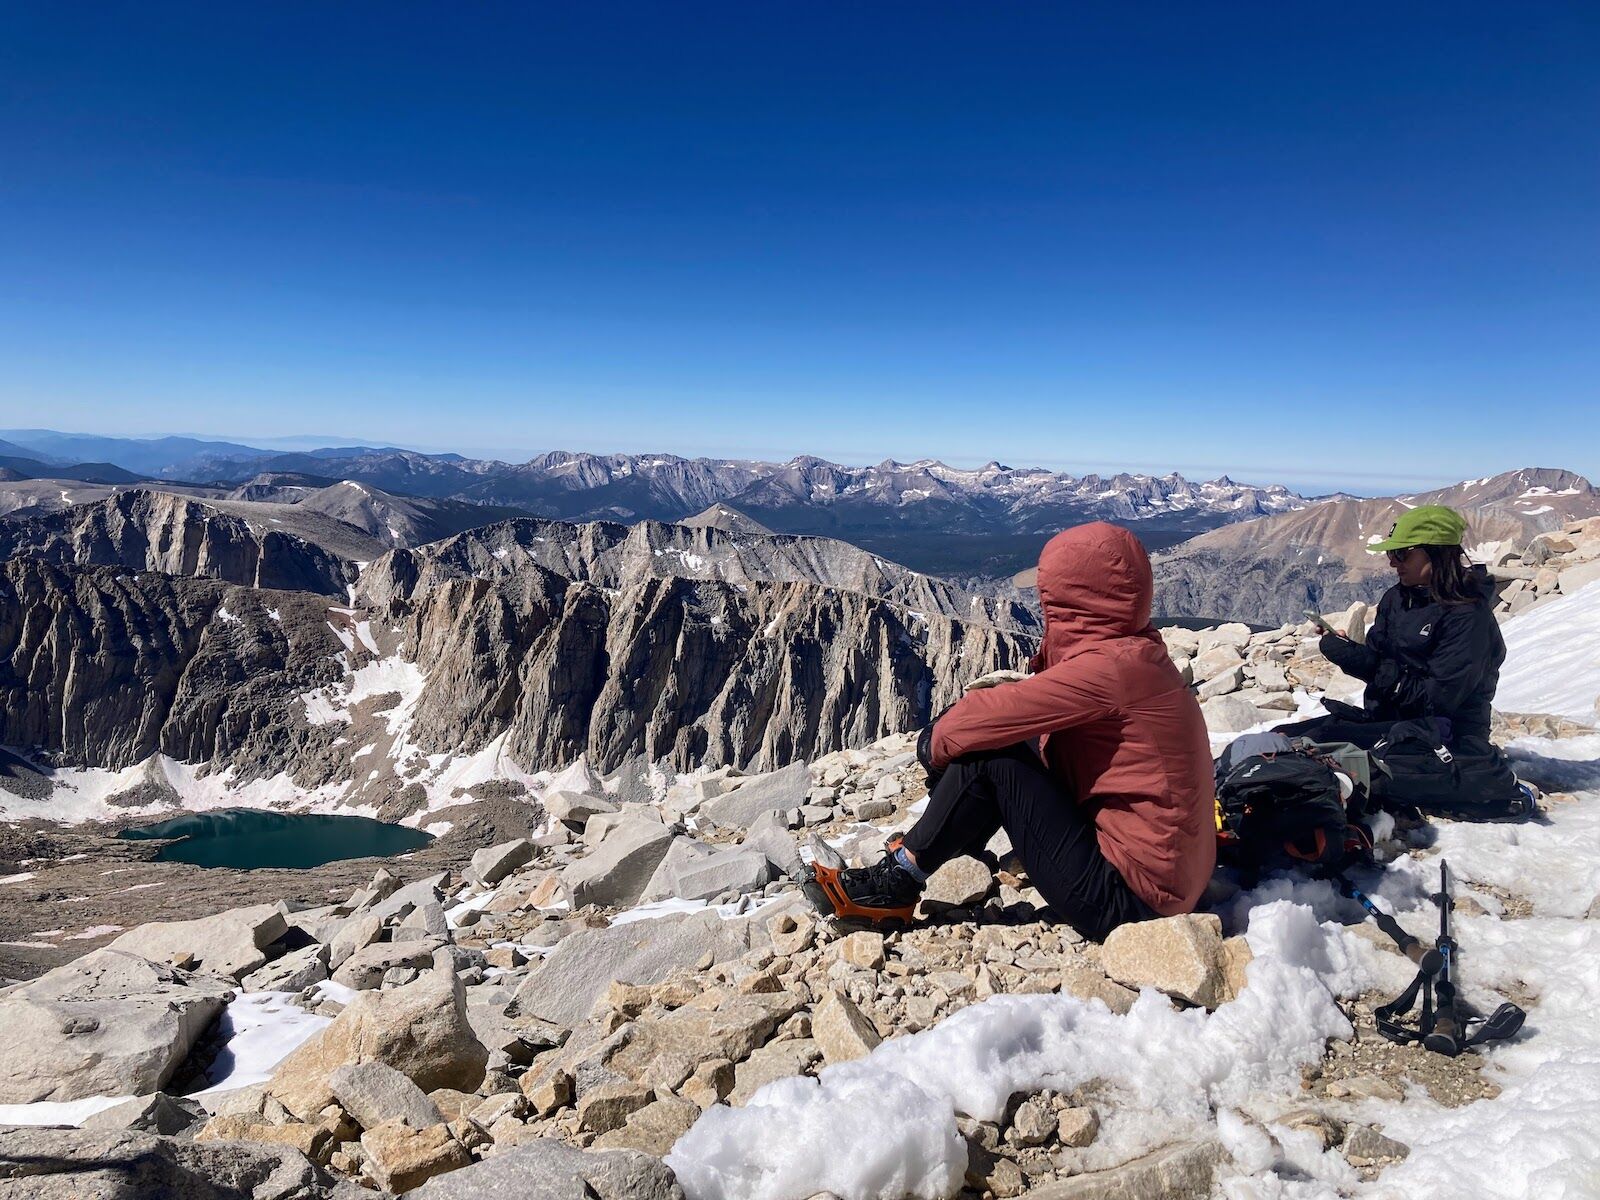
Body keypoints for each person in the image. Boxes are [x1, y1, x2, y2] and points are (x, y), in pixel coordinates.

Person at [812, 522, 1217, 940]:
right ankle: (951, 846)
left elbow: (976, 722)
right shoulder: (1137, 653)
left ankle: (896, 882)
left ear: (1071, 597)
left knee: (989, 754)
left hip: (1132, 903)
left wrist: (930, 745)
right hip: (1165, 880)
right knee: (1007, 743)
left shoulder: (1111, 669)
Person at [1274, 504, 1532, 815]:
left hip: (1441, 737)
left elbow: (1436, 701)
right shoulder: (1398, 598)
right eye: (1391, 554)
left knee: (1306, 766)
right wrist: (1350, 651)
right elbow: (1381, 661)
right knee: (1279, 743)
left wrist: (1363, 663)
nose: (1393, 562)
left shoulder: (1467, 617)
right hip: (1389, 723)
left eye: (1403, 553)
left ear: (1437, 554)